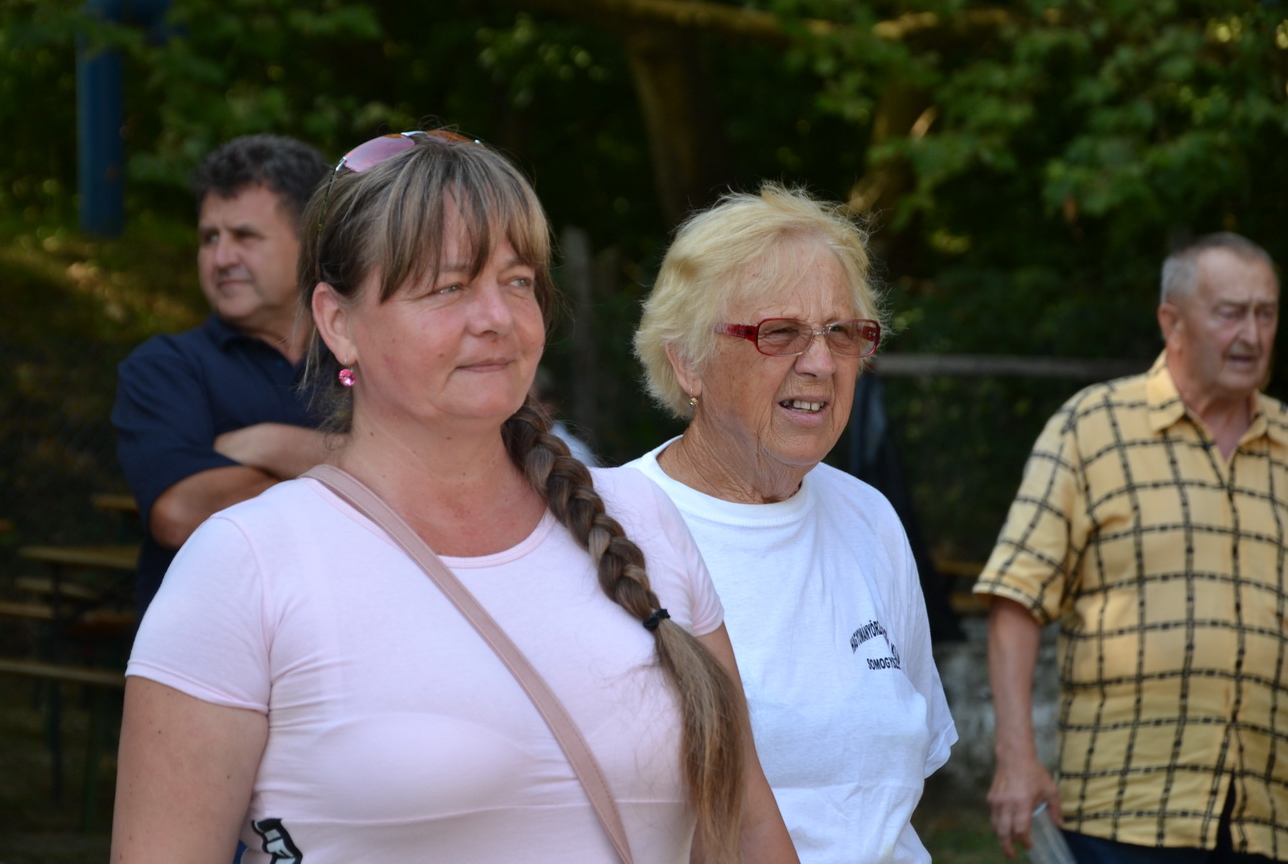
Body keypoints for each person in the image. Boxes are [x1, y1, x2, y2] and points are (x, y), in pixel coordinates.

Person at [111, 131, 798, 864]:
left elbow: (748, 828)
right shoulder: (244, 564)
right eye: (448, 287)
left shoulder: (644, 518)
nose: (496, 317)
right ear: (338, 323)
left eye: (517, 281)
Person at [629, 184, 957, 864]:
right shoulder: (615, 527)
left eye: (842, 332)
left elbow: (891, 790)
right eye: (778, 332)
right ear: (687, 360)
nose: (821, 362)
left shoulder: (869, 519)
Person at [974, 232, 1287, 862]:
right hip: (1122, 813)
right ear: (1172, 322)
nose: (1252, 336)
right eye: (1230, 314)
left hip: (1266, 819)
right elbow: (1016, 597)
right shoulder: (1093, 428)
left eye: (1266, 314)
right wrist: (1016, 757)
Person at [111, 134, 331, 612]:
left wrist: (277, 446)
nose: (222, 258)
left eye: (245, 236)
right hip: (215, 646)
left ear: (312, 244)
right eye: (209, 238)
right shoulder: (166, 367)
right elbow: (181, 512)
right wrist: (364, 478)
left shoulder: (368, 359)